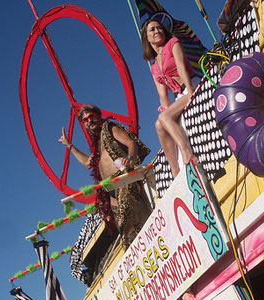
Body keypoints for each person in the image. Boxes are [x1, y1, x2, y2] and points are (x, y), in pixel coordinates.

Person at [58, 104, 151, 249]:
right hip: (110, 190)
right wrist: (70, 146)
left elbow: (131, 142)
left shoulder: (109, 127)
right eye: (85, 120)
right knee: (125, 232)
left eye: (91, 116)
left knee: (136, 221)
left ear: (98, 115)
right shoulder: (96, 146)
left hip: (123, 180)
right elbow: (88, 162)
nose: (89, 120)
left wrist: (131, 160)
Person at [142, 19, 199, 178]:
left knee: (165, 117)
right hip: (178, 96)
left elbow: (181, 66)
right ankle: (175, 171)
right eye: (152, 29)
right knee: (159, 124)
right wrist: (166, 111)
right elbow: (162, 95)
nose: (157, 31)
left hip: (191, 85)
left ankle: (187, 154)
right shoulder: (154, 67)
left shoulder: (173, 43)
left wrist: (190, 90)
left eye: (159, 28)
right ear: (147, 38)